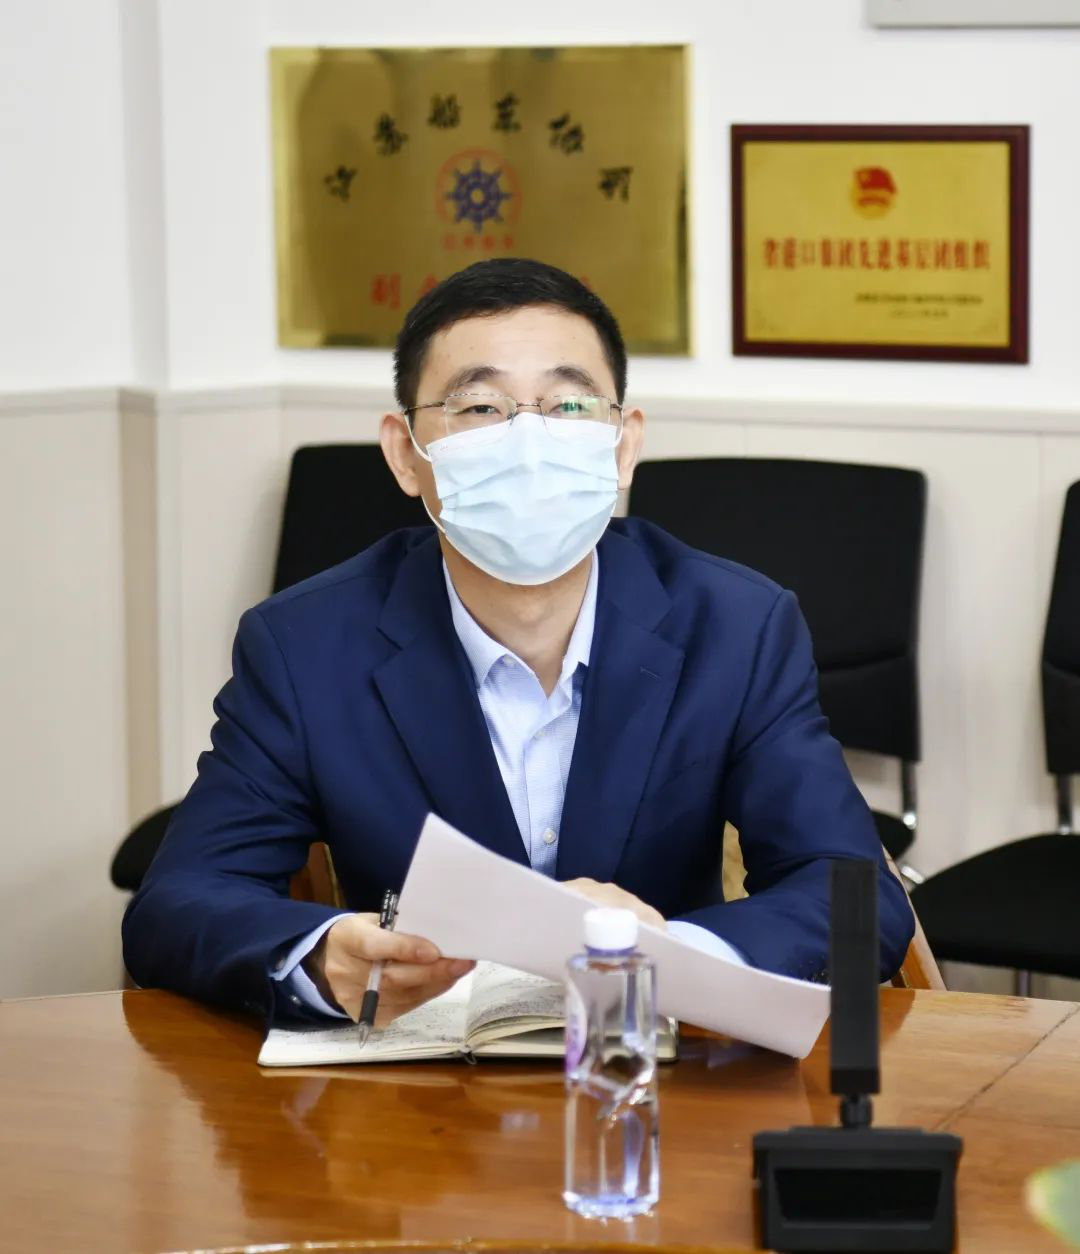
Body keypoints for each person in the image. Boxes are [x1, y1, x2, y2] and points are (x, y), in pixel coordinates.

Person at [122, 258, 914, 1026]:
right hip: (415, 1087)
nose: (528, 441)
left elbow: (855, 896)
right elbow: (179, 902)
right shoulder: (305, 645)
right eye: (479, 408)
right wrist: (321, 955)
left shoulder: (736, 626)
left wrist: (670, 956)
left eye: (569, 405)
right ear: (406, 454)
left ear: (624, 446)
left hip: (650, 1069)